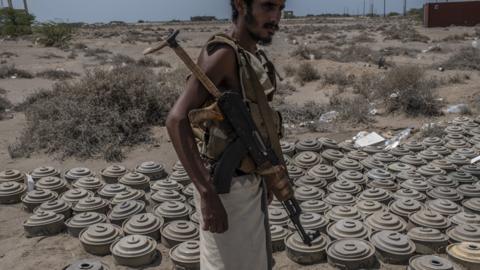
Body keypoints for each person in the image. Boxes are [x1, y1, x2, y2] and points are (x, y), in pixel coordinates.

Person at [166, 0, 285, 269]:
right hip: (225, 191)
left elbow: (260, 125)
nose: (276, 17)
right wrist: (207, 194)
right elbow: (176, 120)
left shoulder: (253, 55)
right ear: (241, 5)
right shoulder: (222, 54)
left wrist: (267, 176)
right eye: (268, 6)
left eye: (281, 8)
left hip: (251, 181)